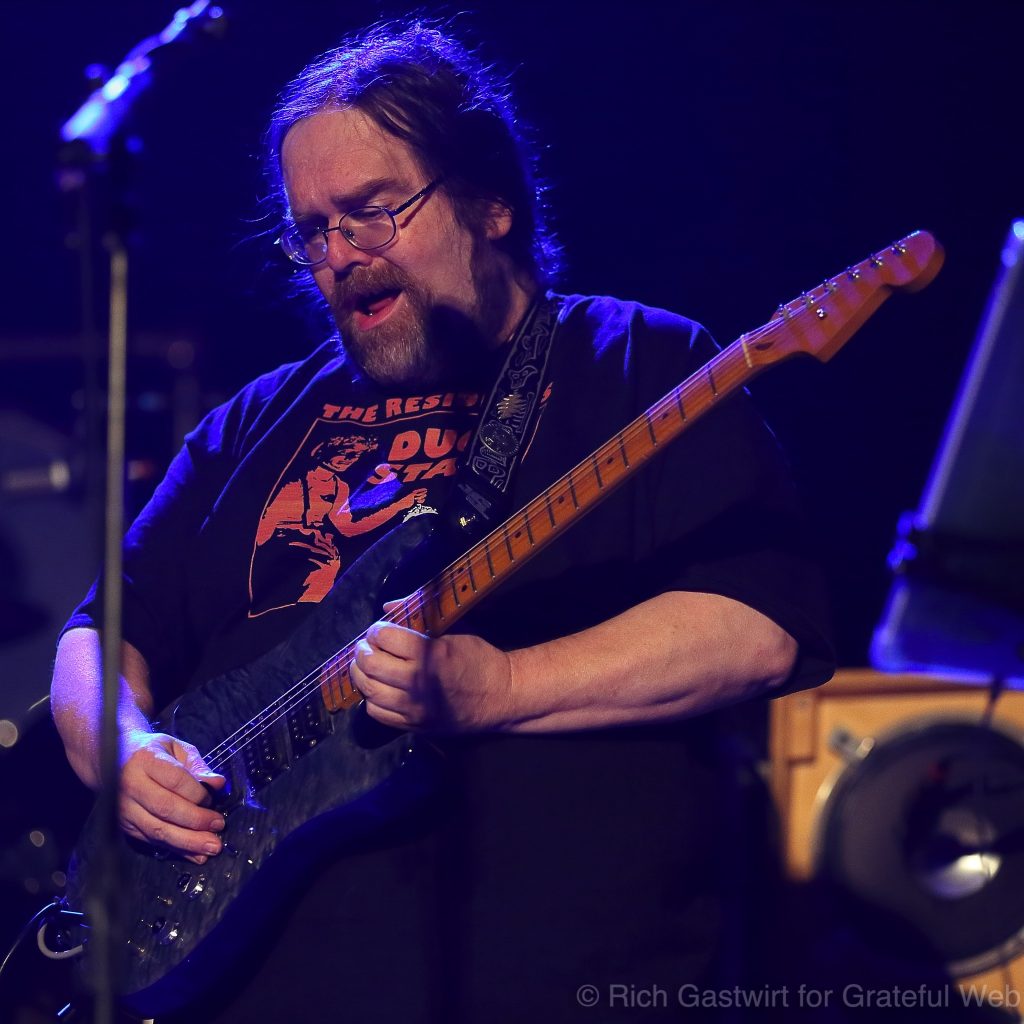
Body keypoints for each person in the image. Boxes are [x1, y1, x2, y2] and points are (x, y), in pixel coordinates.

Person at [51, 20, 834, 1023]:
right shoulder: (251, 421)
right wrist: (120, 749)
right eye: (313, 231)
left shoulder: (641, 364)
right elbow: (99, 631)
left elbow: (761, 627)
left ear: (491, 199)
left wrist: (505, 687)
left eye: (374, 212)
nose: (340, 256)